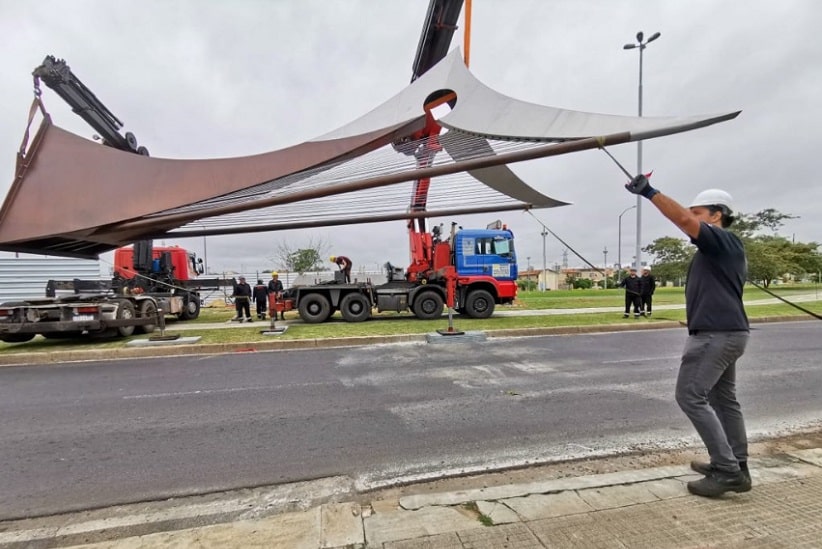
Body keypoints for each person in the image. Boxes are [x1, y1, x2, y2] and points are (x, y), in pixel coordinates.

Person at [626, 175, 751, 498]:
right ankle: (736, 464)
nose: (690, 217)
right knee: (723, 400)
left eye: (698, 212)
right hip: (727, 333)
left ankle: (727, 471)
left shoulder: (721, 241)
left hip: (715, 336)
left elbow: (681, 218)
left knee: (690, 396)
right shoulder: (719, 249)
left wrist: (650, 193)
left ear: (716, 215)